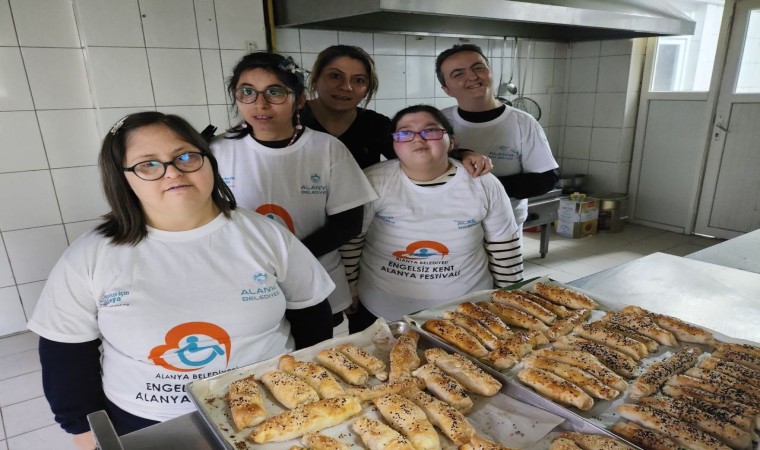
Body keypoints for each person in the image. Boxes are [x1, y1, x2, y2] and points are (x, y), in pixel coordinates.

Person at [27, 112, 335, 449]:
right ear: (122, 178)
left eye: (185, 157)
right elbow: (66, 352)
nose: (173, 171)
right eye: (148, 165)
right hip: (149, 422)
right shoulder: (91, 255)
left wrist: (308, 392)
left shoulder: (266, 235)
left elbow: (312, 316)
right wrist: (84, 432)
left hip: (272, 411)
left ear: (208, 161)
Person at [211, 52, 378, 328]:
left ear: (299, 99)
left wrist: (287, 259)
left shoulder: (327, 149)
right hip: (247, 283)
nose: (260, 103)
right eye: (247, 92)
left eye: (275, 92)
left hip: (317, 278)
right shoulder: (216, 151)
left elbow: (348, 223)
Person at [344, 104, 519, 327]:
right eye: (405, 133)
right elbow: (352, 242)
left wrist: (510, 298)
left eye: (431, 130)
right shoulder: (373, 181)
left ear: (452, 142)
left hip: (467, 310)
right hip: (381, 309)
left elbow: (504, 247)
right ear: (394, 144)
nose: (418, 138)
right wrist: (348, 289)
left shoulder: (482, 183)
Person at [436, 44, 560, 282]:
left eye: (478, 68)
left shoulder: (522, 122)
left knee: (503, 286)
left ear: (490, 72)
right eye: (458, 73)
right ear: (447, 89)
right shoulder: (441, 121)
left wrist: (486, 189)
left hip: (505, 226)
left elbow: (546, 178)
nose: (472, 76)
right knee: (456, 285)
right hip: (452, 226)